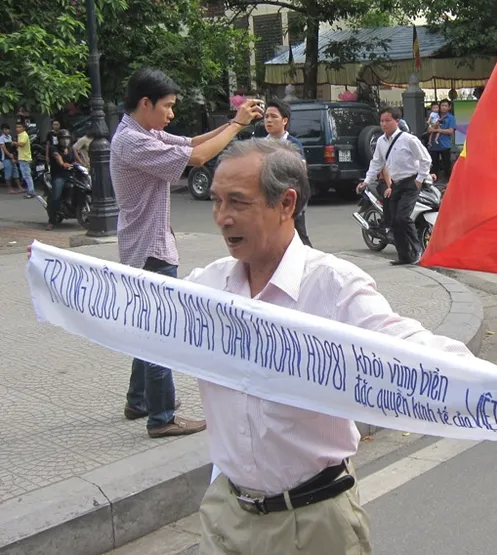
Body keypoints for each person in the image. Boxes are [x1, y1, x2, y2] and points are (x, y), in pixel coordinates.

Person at [193, 139, 497, 555]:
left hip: (312, 525)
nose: (222, 218)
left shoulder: (332, 286)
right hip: (225, 518)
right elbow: (136, 313)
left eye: (237, 202)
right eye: (216, 202)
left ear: (286, 204)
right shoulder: (207, 288)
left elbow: (410, 350)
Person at [111, 67, 264, 438]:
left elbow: (191, 143)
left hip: (144, 245)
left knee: (144, 328)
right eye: (167, 106)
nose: (171, 114)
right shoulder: (134, 142)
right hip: (150, 249)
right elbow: (197, 159)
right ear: (145, 103)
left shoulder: (140, 131)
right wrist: (237, 126)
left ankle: (139, 399)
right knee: (160, 335)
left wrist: (233, 123)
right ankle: (161, 417)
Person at [357, 107, 431, 266]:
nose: (384, 124)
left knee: (403, 217)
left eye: (388, 120)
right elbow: (376, 162)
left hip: (410, 183)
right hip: (395, 184)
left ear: (397, 121)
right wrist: (367, 181)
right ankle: (404, 256)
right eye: (382, 121)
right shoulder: (381, 142)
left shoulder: (409, 140)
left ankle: (417, 249)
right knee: (393, 221)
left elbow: (426, 160)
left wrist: (419, 179)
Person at [262, 100, 311, 247]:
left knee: (299, 236)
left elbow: (301, 172)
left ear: (284, 120)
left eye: (273, 116)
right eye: (266, 116)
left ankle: (309, 265)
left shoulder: (293, 144)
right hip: (269, 198)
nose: (269, 120)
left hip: (290, 198)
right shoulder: (261, 144)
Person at [45, 130, 82, 230]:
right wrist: (63, 164)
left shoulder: (71, 149)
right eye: (63, 138)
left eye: (67, 138)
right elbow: (58, 157)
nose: (65, 141)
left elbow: (78, 160)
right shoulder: (54, 148)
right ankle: (51, 221)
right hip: (59, 176)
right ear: (59, 140)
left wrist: (85, 165)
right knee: (55, 197)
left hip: (71, 175)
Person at [427, 99, 456, 180]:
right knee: (434, 164)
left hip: (445, 144)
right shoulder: (435, 116)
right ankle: (433, 181)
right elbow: (429, 129)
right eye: (442, 105)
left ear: (449, 107)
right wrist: (433, 127)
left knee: (446, 164)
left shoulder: (451, 118)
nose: (443, 107)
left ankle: (448, 181)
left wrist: (437, 130)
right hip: (434, 145)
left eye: (445, 106)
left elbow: (450, 131)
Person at [14, 120, 37, 199]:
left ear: (24, 128)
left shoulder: (24, 135)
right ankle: (30, 191)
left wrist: (14, 143)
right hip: (22, 157)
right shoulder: (20, 135)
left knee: (27, 175)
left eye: (20, 127)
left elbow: (22, 144)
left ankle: (31, 191)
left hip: (25, 158)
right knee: (25, 175)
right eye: (17, 127)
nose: (18, 128)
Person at [1, 123, 19, 194]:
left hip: (11, 157)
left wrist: (13, 156)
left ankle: (19, 187)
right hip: (5, 158)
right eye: (5, 129)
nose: (7, 130)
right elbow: (4, 149)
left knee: (15, 172)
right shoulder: (1, 138)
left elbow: (12, 147)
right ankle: (9, 189)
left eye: (8, 129)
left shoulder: (9, 137)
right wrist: (9, 155)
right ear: (3, 130)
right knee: (8, 174)